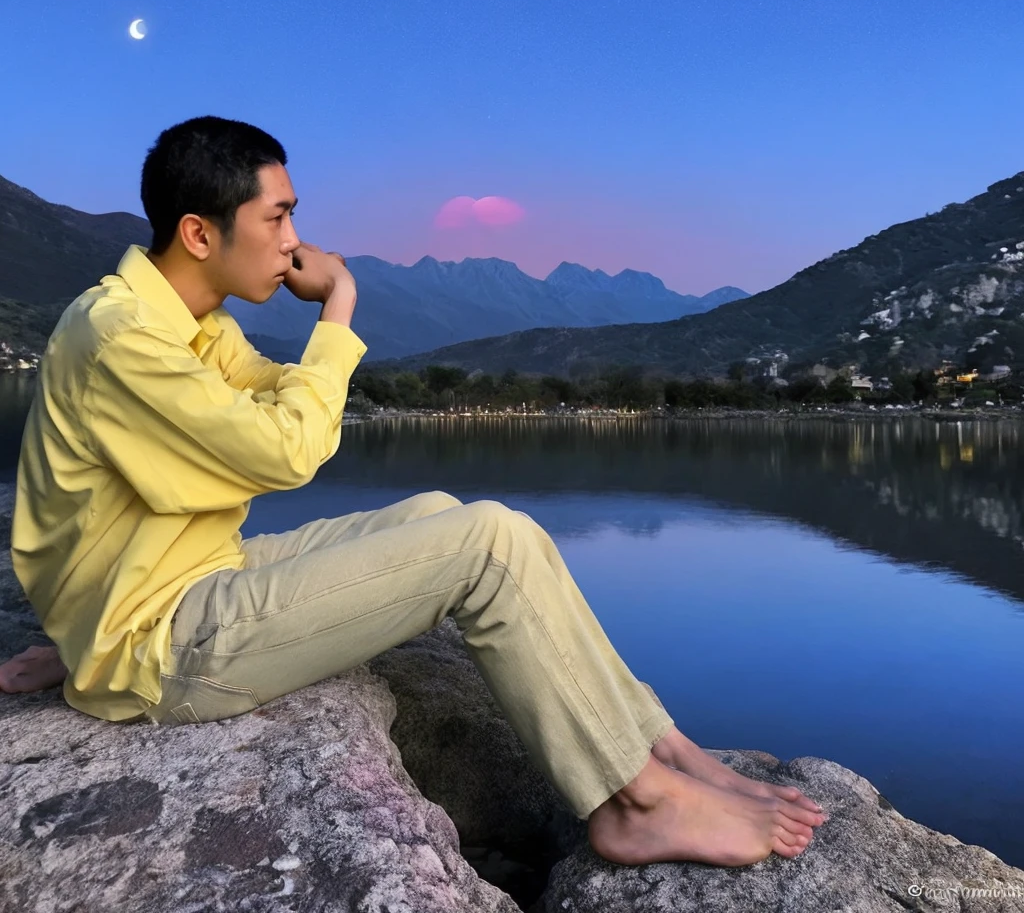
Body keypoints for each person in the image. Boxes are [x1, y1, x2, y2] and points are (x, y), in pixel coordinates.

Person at [0, 116, 827, 868]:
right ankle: (633, 802)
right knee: (489, 546)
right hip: (166, 641)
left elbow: (281, 402)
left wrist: (79, 638)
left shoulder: (193, 325)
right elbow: (290, 448)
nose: (295, 242)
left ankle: (655, 743)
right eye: (278, 216)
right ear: (199, 233)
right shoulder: (123, 337)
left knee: (443, 513)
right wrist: (340, 306)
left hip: (178, 586)